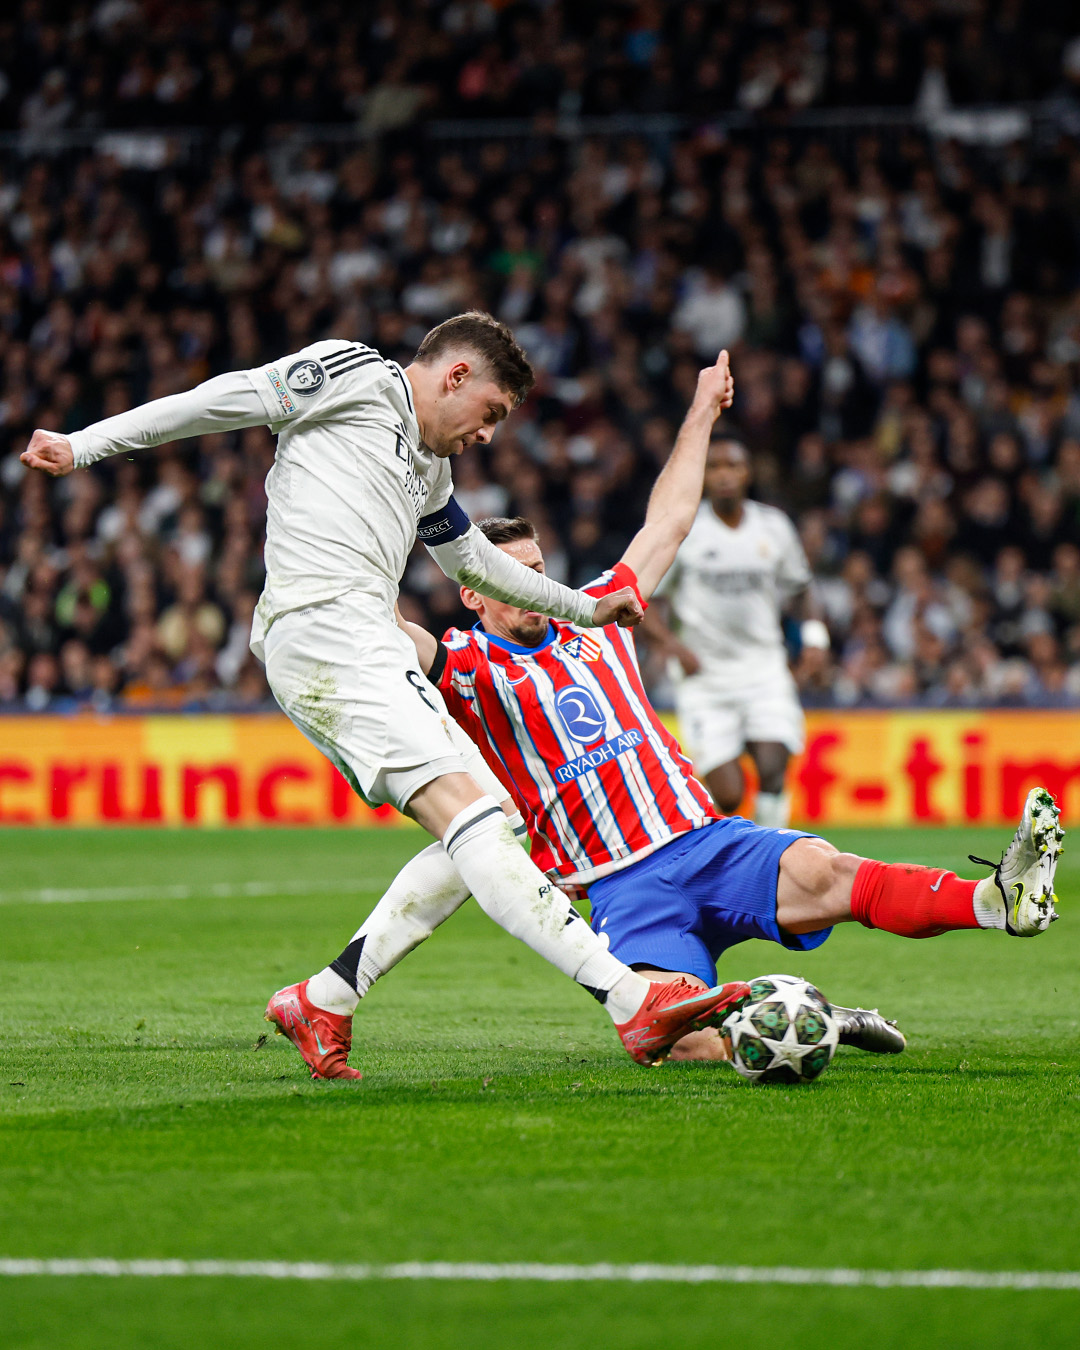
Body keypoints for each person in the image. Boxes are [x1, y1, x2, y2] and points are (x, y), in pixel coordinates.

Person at [287, 349, 1061, 1079]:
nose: (528, 587)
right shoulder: (464, 662)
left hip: (707, 841)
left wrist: (701, 412)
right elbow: (370, 620)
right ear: (472, 589)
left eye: (537, 571)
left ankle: (997, 903)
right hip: (626, 888)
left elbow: (670, 522)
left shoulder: (598, 615)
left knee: (832, 873)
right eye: (508, 578)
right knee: (677, 1041)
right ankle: (809, 1018)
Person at [21, 313, 750, 1077]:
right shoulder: (354, 375)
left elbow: (471, 560)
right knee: (476, 818)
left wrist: (585, 607)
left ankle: (326, 999)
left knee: (500, 814)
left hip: (364, 633)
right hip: (321, 628)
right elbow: (224, 398)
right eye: (491, 414)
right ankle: (632, 1003)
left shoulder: (431, 471)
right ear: (456, 376)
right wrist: (84, 445)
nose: (489, 436)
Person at [642, 438, 825, 827]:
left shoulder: (773, 526)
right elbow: (645, 600)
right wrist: (673, 646)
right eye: (716, 467)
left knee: (774, 769)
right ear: (705, 476)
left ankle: (776, 858)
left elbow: (802, 588)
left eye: (733, 466)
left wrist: (814, 638)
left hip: (764, 668)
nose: (724, 475)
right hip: (705, 675)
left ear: (748, 473)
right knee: (729, 795)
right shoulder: (686, 530)